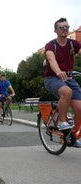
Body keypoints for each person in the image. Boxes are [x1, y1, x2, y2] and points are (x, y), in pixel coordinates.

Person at [44, 17, 81, 147]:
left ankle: (73, 136)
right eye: (62, 27)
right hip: (52, 78)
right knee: (66, 91)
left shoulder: (73, 44)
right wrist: (59, 71)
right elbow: (51, 59)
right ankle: (61, 121)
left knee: (79, 109)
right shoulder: (51, 45)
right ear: (55, 30)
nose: (65, 29)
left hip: (69, 79)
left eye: (67, 27)